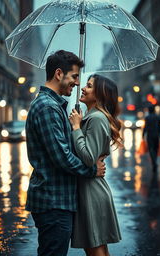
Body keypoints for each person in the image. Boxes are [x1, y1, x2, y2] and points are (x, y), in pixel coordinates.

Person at [25, 50, 106, 256]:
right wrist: (91, 171)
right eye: (74, 77)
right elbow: (62, 157)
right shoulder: (47, 107)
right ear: (59, 74)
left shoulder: (55, 106)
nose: (77, 83)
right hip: (53, 201)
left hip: (57, 201)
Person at [69, 74, 122, 256]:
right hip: (88, 189)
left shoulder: (97, 118)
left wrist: (76, 128)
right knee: (97, 248)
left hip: (91, 192)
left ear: (100, 95)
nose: (83, 88)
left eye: (89, 86)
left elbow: (89, 158)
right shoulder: (92, 117)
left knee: (95, 249)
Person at [142, 105, 160, 172]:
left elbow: (145, 127)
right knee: (156, 148)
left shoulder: (147, 118)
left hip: (150, 135)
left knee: (151, 148)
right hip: (156, 135)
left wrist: (143, 134)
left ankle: (154, 162)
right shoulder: (157, 117)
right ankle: (155, 161)